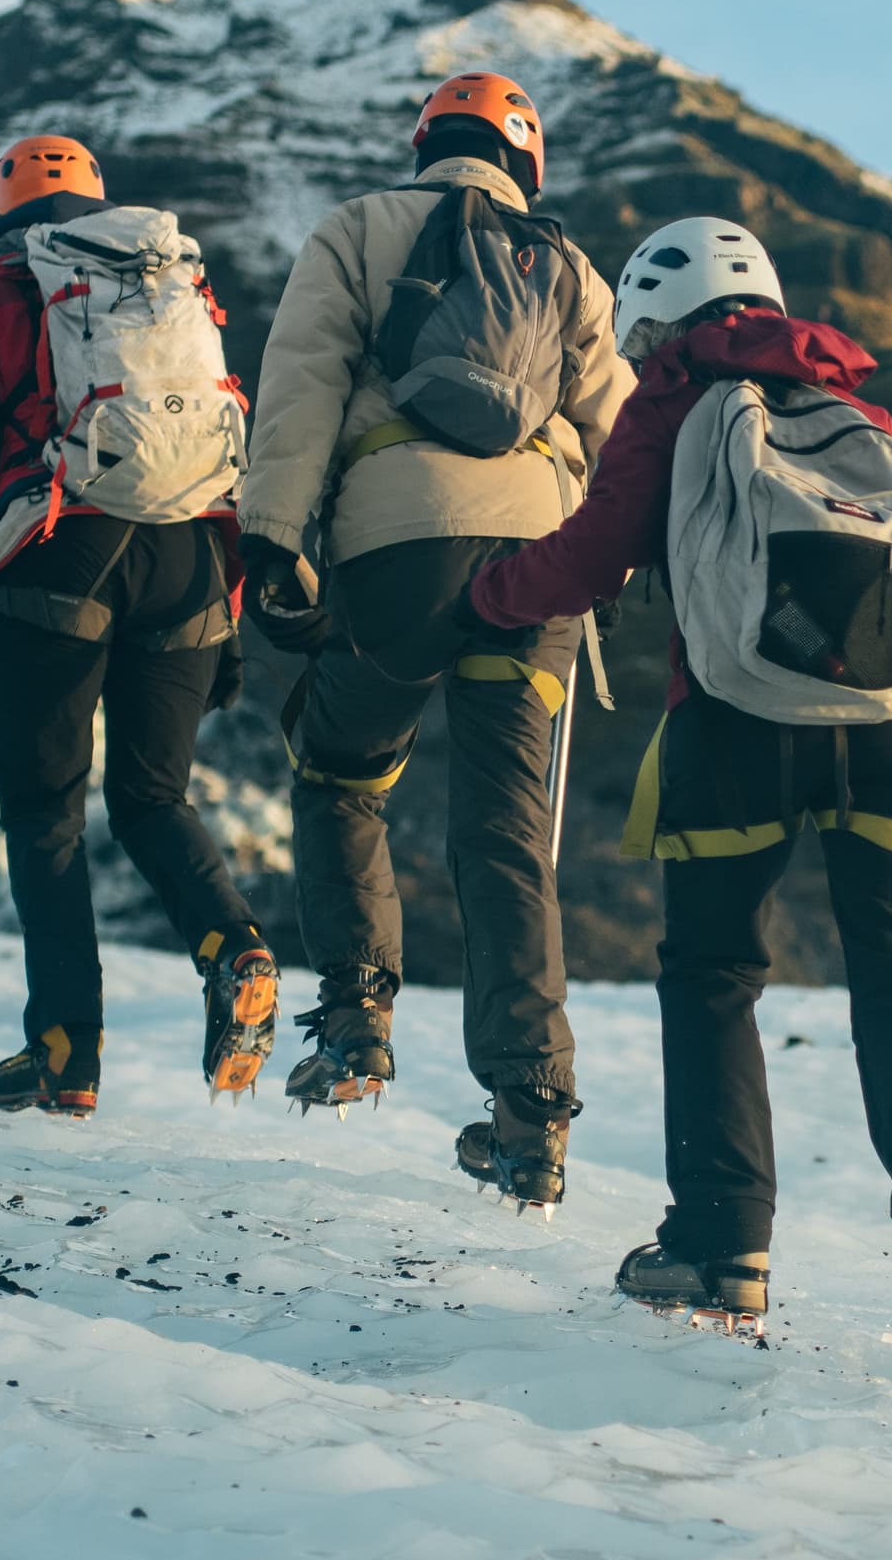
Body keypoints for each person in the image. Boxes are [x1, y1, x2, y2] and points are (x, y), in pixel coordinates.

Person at [465, 219, 892, 1366]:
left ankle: (723, 1247)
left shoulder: (674, 397)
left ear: (655, 324)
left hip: (737, 728)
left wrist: (485, 597)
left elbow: (593, 555)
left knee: (715, 975)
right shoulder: (858, 411)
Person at [234, 73, 633, 1207]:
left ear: (426, 147)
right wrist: (618, 564)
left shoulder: (360, 228)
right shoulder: (569, 267)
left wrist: (273, 537)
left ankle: (357, 1020)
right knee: (506, 833)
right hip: (538, 562)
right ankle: (531, 1116)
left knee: (340, 767)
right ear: (525, 168)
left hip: (398, 552)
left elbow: (302, 380)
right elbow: (621, 425)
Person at [0, 132, 278, 1117]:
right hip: (189, 560)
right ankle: (234, 945)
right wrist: (227, 616)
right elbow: (217, 453)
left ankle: (65, 1051)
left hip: (60, 552)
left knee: (46, 814)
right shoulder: (173, 290)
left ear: (1, 214)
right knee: (153, 798)